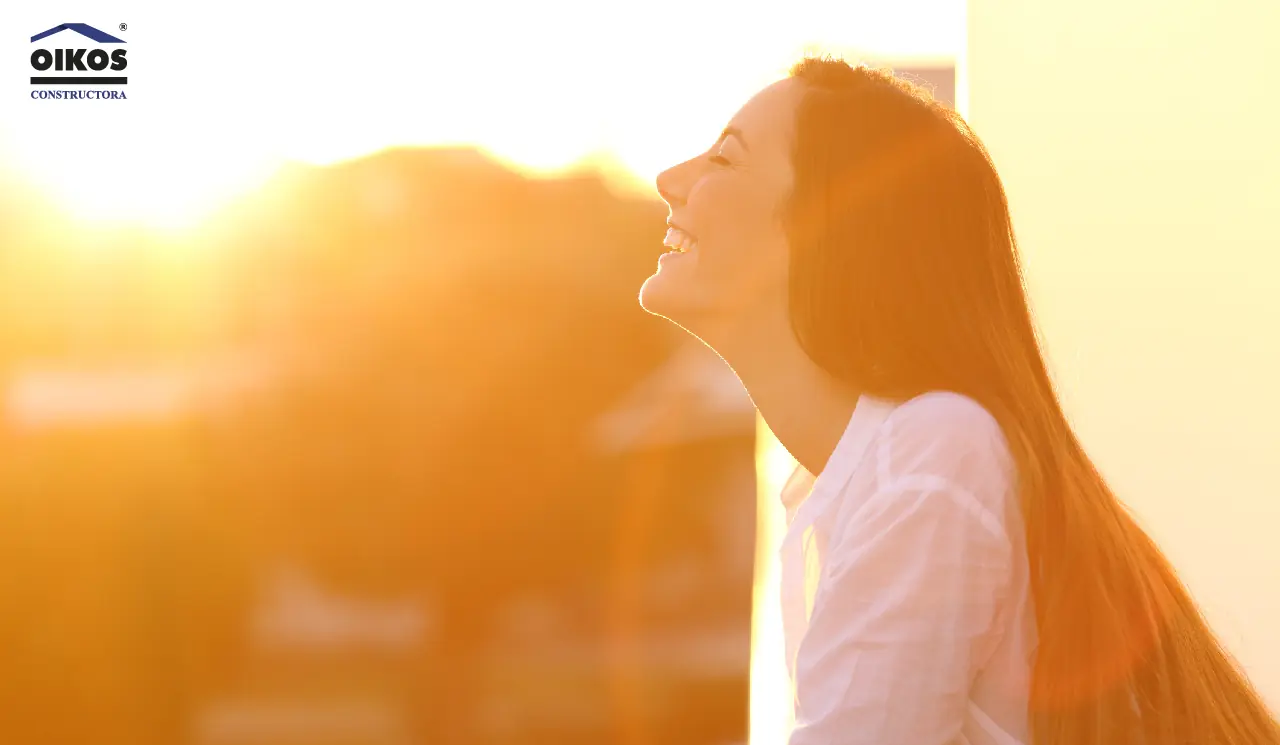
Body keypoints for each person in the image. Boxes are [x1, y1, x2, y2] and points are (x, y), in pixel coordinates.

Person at [638, 55, 1280, 745]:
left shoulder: (930, 457)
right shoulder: (871, 474)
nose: (669, 181)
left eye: (725, 160)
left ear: (826, 226)